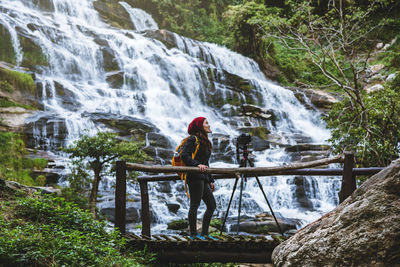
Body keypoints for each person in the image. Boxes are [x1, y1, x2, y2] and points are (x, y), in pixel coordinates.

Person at [181, 117, 217, 240]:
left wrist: (211, 180)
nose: (209, 125)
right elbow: (184, 155)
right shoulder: (193, 139)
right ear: (200, 126)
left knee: (212, 205)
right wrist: (196, 165)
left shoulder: (205, 141)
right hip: (194, 176)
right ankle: (193, 235)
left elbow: (206, 162)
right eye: (206, 123)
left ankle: (205, 234)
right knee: (195, 205)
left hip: (203, 177)